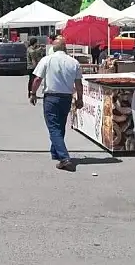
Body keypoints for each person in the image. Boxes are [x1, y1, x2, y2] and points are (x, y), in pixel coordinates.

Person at [29, 37, 83, 171]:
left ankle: (64, 158)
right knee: (60, 126)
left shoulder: (47, 60)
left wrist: (33, 93)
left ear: (53, 48)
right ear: (65, 48)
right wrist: (79, 98)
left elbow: (37, 79)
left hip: (51, 97)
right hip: (66, 98)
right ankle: (56, 152)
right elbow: (78, 84)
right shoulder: (74, 62)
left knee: (53, 127)